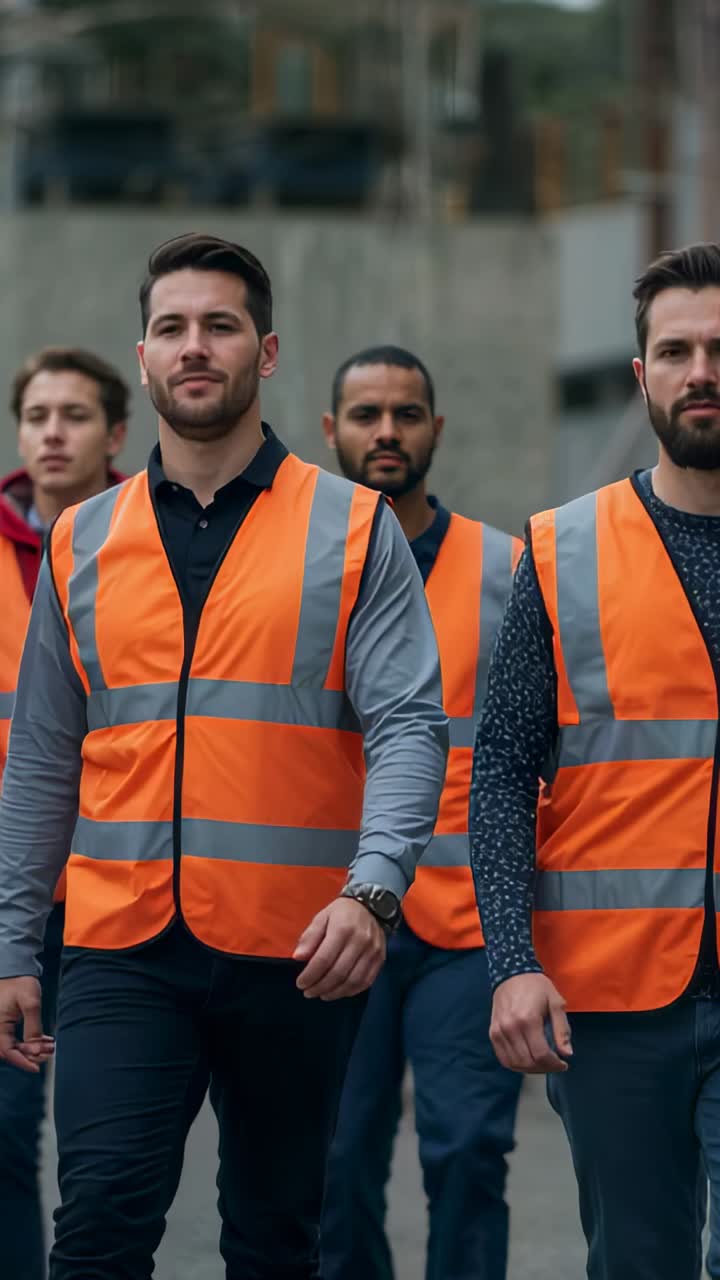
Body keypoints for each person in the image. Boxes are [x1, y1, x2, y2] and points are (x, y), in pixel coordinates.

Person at [0, 234, 448, 1280]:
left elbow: (409, 726)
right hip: (120, 949)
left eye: (220, 325)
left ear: (269, 349)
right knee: (100, 1225)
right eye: (171, 328)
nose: (194, 346)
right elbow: (43, 760)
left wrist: (373, 891)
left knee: (276, 1237)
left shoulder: (351, 526)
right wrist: (16, 941)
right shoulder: (82, 540)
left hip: (299, 947)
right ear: (145, 358)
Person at [471, 241, 720, 1280]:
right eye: (676, 349)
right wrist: (512, 964)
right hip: (617, 1000)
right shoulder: (564, 548)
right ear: (642, 375)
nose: (700, 368)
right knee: (639, 1259)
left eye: (719, 346)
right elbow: (500, 767)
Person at [320, 346, 523, 1280]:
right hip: (337, 916)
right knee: (336, 1160)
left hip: (467, 922)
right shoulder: (307, 567)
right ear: (334, 432)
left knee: (469, 1154)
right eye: (367, 414)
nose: (387, 432)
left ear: (436, 429)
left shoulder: (505, 569)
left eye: (407, 414)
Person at [0, 346, 128, 1280]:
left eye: (74, 415)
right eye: (37, 414)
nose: (51, 432)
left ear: (115, 434)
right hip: (9, 887)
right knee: (4, 1136)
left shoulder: (148, 544)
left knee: (101, 1150)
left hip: (107, 889)